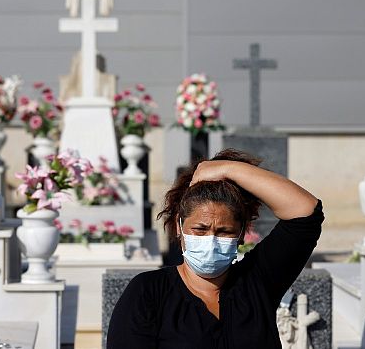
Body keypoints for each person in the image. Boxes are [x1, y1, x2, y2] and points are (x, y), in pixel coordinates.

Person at [107, 149, 324, 348]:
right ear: (179, 227)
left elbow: (305, 212)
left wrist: (227, 169)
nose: (211, 239)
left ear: (241, 234)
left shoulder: (257, 282)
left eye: (224, 231)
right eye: (200, 229)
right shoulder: (148, 292)